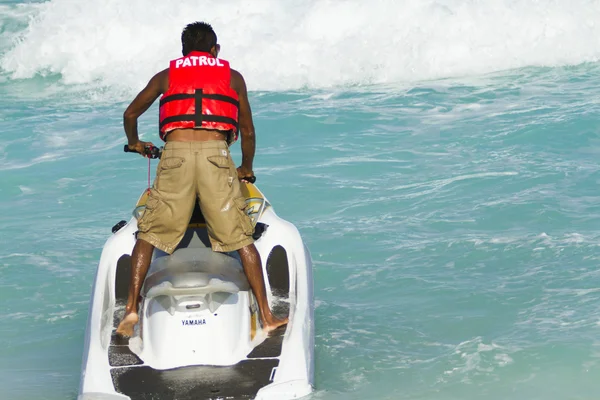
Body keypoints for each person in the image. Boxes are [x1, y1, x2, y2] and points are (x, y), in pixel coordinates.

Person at [116, 21, 288, 337]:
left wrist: (135, 143)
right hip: (216, 156)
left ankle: (130, 308)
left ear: (183, 52)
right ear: (214, 50)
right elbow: (247, 130)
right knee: (240, 235)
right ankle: (266, 315)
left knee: (150, 232)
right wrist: (246, 167)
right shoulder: (232, 77)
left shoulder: (167, 75)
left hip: (176, 154)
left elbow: (130, 114)